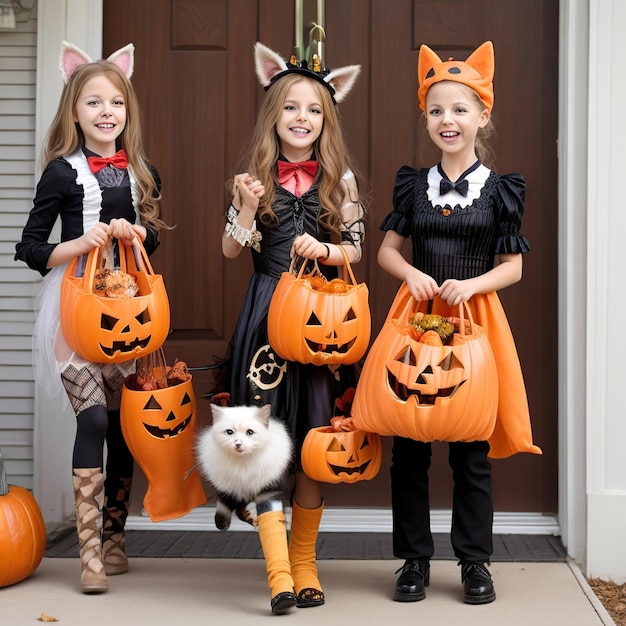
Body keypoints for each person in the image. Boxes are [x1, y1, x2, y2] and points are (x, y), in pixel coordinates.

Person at [376, 41, 541, 605]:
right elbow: (387, 253)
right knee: (410, 446)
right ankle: (414, 561)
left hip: (475, 323)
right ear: (425, 118)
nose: (449, 120)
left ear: (483, 116)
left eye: (460, 109)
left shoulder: (501, 190)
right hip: (417, 320)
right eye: (437, 110)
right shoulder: (412, 185)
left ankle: (475, 562)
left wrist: (471, 285)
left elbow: (513, 267)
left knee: (472, 447)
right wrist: (411, 274)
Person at [15, 41, 168, 594]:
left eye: (117, 103)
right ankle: (88, 555)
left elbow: (155, 239)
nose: (107, 112)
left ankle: (115, 537)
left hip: (126, 305)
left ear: (128, 111)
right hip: (74, 309)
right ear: (74, 111)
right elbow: (31, 249)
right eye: (93, 102)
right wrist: (78, 242)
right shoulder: (60, 173)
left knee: (125, 428)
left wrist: (138, 232)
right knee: (95, 421)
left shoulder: (143, 170)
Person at [219, 41, 364, 614]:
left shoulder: (339, 180)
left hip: (323, 326)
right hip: (266, 326)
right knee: (266, 445)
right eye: (291, 108)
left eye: (314, 110)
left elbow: (353, 249)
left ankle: (305, 563)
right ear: (273, 115)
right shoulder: (252, 178)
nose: (302, 118)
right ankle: (279, 573)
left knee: (315, 444)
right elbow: (230, 250)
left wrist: (326, 248)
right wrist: (248, 208)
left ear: (325, 121)